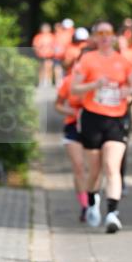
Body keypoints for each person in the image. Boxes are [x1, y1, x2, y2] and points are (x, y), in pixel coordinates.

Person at [71, 20, 132, 233]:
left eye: (109, 32)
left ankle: (112, 213)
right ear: (95, 37)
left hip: (116, 119)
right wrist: (93, 85)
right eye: (100, 33)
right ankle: (92, 201)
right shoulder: (87, 59)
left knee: (111, 165)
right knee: (94, 171)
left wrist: (129, 92)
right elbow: (74, 89)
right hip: (92, 118)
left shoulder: (123, 61)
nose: (105, 36)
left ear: (114, 37)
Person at [54, 63, 87, 223]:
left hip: (97, 126)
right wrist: (73, 112)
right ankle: (85, 206)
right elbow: (58, 104)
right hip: (73, 126)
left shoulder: (102, 80)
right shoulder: (69, 81)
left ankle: (93, 199)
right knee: (79, 166)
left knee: (96, 168)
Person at [32, 22, 55, 87]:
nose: (45, 29)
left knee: (49, 67)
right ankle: (41, 81)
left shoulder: (52, 36)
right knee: (41, 68)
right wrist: (38, 51)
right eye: (44, 28)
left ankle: (49, 81)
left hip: (49, 55)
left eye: (47, 28)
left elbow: (55, 45)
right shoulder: (38, 36)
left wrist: (52, 51)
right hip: (41, 55)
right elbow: (35, 46)